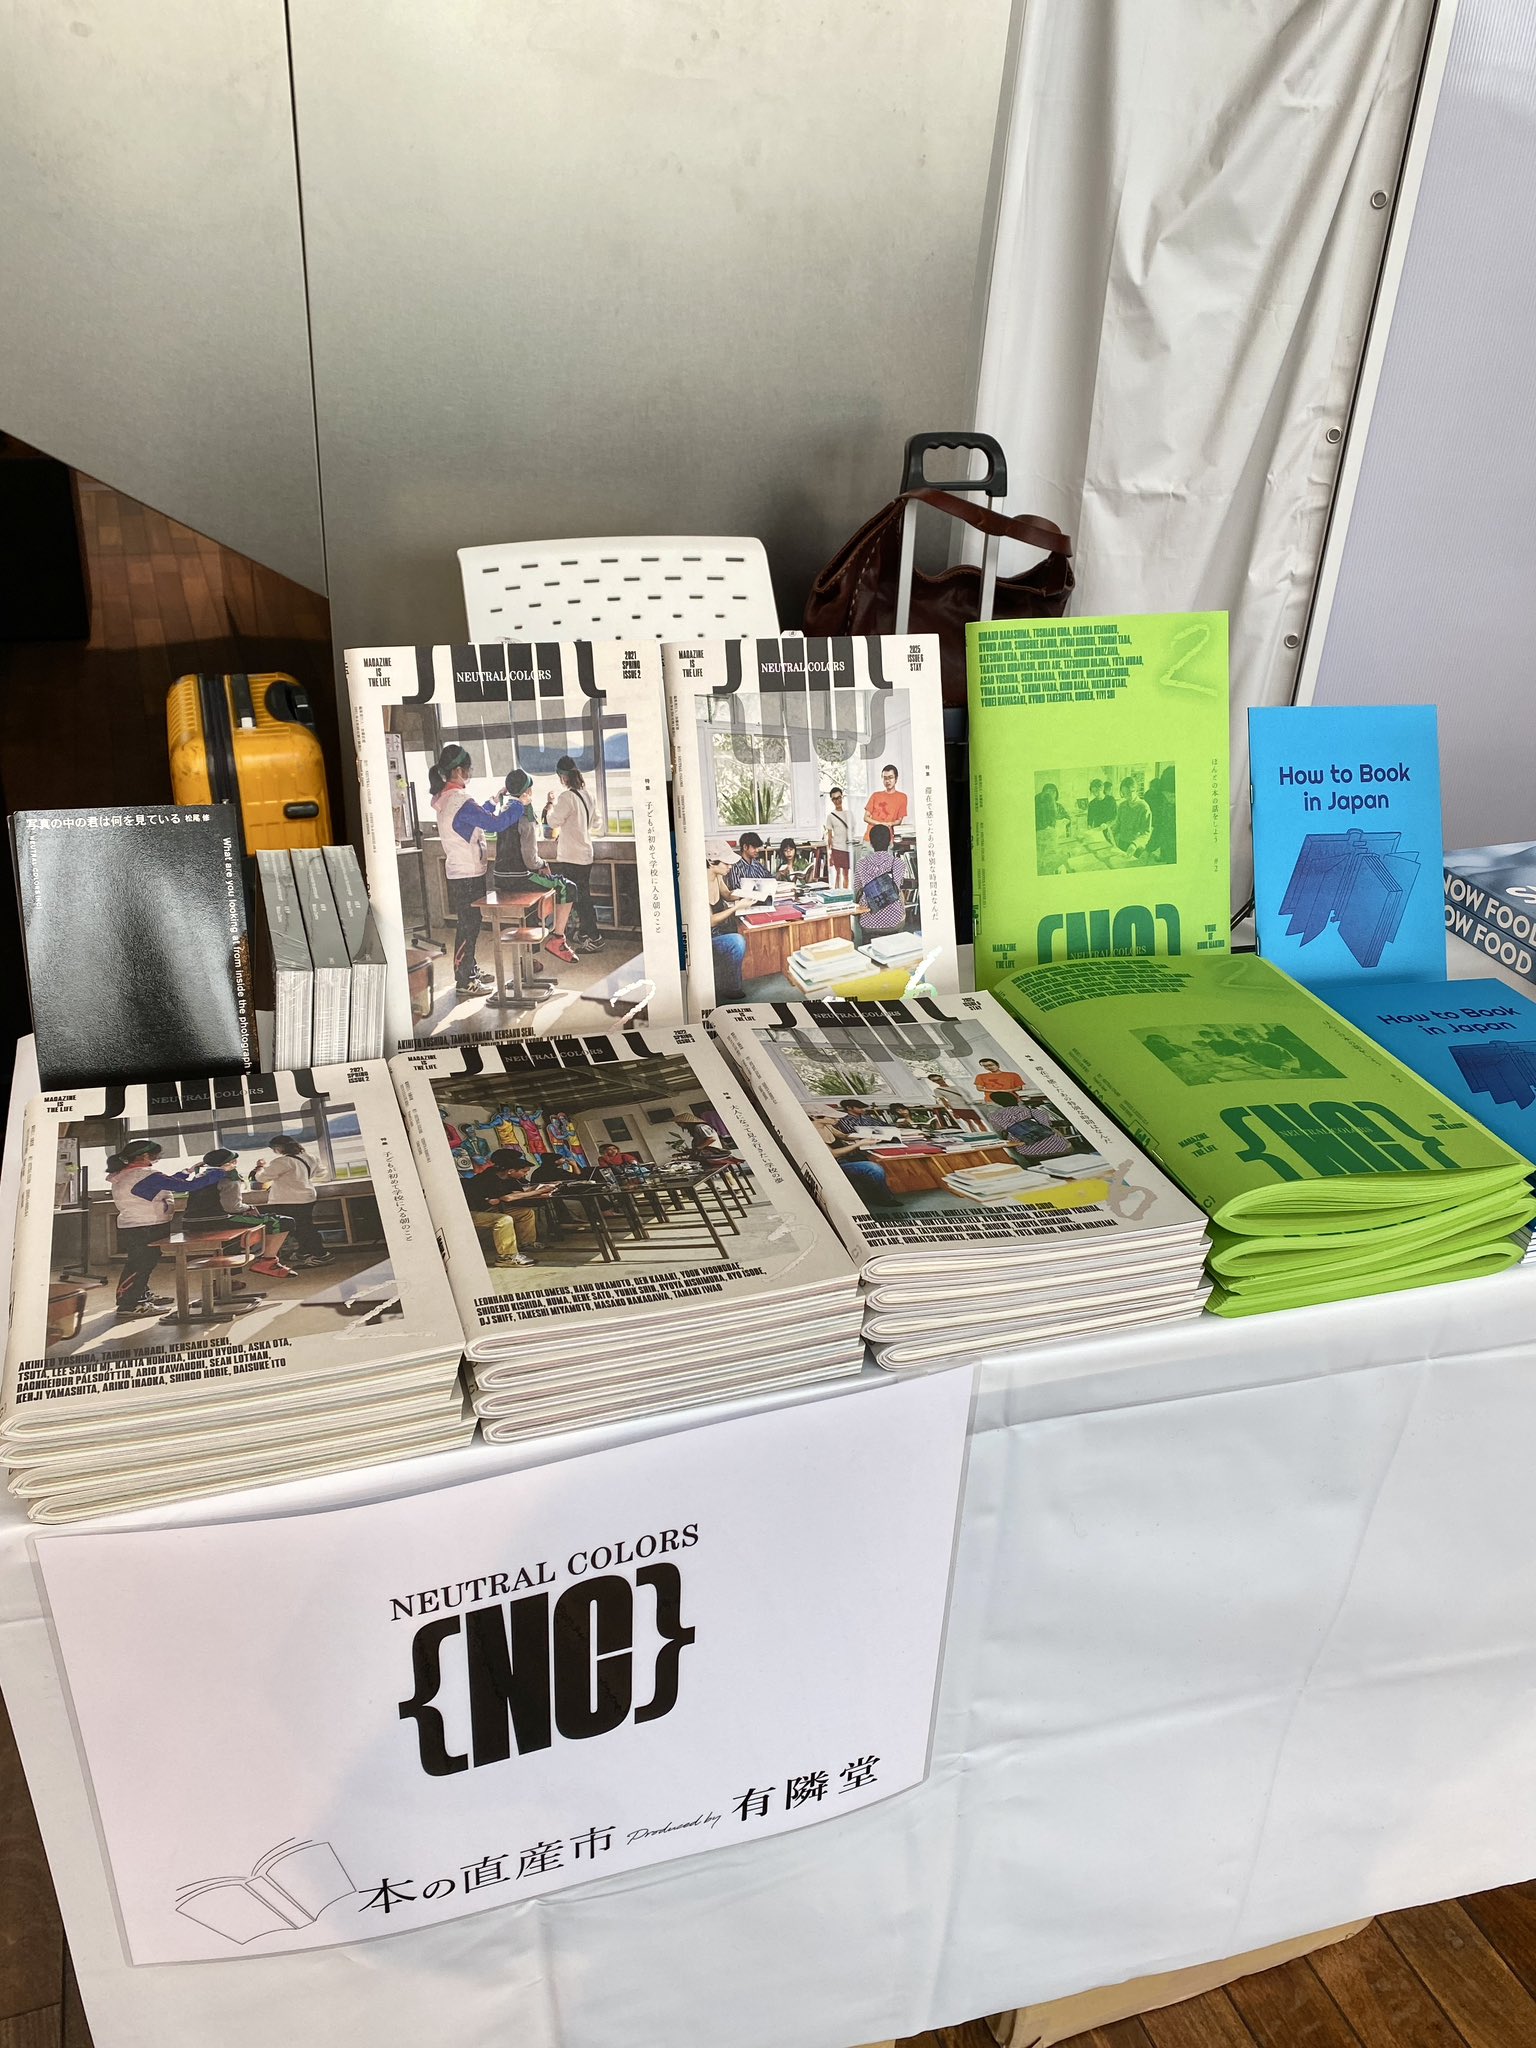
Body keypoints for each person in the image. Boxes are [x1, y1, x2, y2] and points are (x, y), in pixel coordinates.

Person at [427, 743, 525, 995]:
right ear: (459, 771)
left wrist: (494, 800)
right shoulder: (460, 800)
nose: (470, 773)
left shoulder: (446, 798)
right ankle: (464, 980)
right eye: (469, 769)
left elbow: (475, 819)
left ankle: (469, 968)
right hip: (467, 874)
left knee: (470, 922)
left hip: (462, 871)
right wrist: (517, 804)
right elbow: (496, 824)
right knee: (468, 925)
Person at [492, 769, 578, 966]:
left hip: (500, 877)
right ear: (527, 792)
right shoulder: (525, 817)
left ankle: (529, 961)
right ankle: (558, 939)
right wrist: (544, 864)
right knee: (567, 887)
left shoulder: (504, 811)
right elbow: (531, 861)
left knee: (532, 906)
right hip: (520, 877)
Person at [181, 1150, 295, 1277]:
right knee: (282, 1221)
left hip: (191, 1223)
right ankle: (268, 1261)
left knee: (233, 1239)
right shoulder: (229, 1178)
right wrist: (249, 1208)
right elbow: (233, 1207)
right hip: (218, 1220)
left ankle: (227, 1279)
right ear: (230, 1163)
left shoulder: (200, 1176)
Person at [107, 1138, 186, 1317]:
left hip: (139, 1224)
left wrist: (184, 1173)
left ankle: (140, 1295)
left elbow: (165, 1183)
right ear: (144, 1156)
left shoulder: (127, 1174)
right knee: (141, 1264)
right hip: (146, 1224)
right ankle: (129, 1305)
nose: (157, 1158)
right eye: (155, 1155)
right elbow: (178, 1185)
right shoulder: (143, 1174)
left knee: (141, 1262)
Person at [544, 756, 602, 953]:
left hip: (571, 857)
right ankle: (585, 934)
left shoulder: (566, 798)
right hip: (585, 853)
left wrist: (550, 806)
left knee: (578, 899)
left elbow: (553, 822)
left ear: (563, 777)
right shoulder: (588, 795)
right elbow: (597, 823)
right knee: (583, 896)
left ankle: (594, 937)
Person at [250, 1135, 330, 1265]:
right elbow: (322, 1172)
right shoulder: (310, 1157)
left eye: (274, 1149)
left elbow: (262, 1178)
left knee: (299, 1229)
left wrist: (259, 1168)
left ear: (279, 1148)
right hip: (307, 1197)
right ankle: (304, 1252)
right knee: (304, 1226)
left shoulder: (282, 1162)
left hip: (289, 1200)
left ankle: (320, 1255)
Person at [465, 1147, 539, 1266]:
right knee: (504, 1220)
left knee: (525, 1213)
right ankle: (507, 1257)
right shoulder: (488, 1177)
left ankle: (526, 1244)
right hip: (470, 1212)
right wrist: (538, 1191)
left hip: (489, 1208)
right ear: (510, 1169)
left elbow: (516, 1192)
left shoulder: (507, 1177)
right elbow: (507, 1197)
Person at [815, 1116, 899, 1208]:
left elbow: (844, 1136)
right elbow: (833, 1153)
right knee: (873, 1168)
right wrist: (859, 1144)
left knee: (870, 1158)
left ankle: (873, 1193)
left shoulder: (827, 1125)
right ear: (816, 1117)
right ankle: (885, 1199)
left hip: (845, 1159)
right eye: (833, 1117)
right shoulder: (811, 1131)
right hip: (834, 1165)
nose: (838, 1119)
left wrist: (866, 1136)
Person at [853, 823, 909, 940]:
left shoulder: (861, 863)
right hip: (894, 921)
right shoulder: (898, 863)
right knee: (899, 893)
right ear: (889, 842)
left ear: (871, 843)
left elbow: (857, 888)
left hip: (868, 922)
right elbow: (897, 886)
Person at [706, 849, 748, 1000]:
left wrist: (748, 893)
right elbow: (710, 921)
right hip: (704, 938)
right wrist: (737, 907)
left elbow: (728, 895)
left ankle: (729, 981)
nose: (730, 866)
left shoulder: (717, 876)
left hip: (718, 930)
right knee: (737, 941)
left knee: (741, 927)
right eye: (726, 863)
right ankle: (731, 988)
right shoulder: (698, 884)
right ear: (711, 862)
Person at [1110, 774, 1154, 859]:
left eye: (1129, 793)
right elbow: (1118, 824)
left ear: (1135, 790)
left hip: (1136, 847)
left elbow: (1146, 833)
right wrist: (1111, 832)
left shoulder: (1143, 807)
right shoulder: (1122, 806)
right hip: (1122, 843)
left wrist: (1135, 844)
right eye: (1124, 794)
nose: (1126, 796)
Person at [862, 763, 908, 842]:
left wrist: (889, 824)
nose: (887, 781)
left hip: (887, 839)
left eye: (890, 777)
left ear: (896, 779)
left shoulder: (902, 797)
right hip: (870, 838)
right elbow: (866, 817)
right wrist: (881, 824)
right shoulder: (875, 795)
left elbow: (899, 821)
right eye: (885, 778)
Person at [1144, 764, 1176, 864]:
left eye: (1173, 796)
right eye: (1166, 796)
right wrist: (1148, 849)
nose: (1170, 800)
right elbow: (1161, 828)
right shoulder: (1167, 804)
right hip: (1169, 851)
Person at [824, 788, 851, 884]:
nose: (837, 801)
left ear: (842, 797)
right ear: (832, 800)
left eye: (839, 797)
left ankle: (846, 891)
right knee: (837, 874)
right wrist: (830, 853)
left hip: (847, 848)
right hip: (837, 848)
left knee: (846, 874)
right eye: (834, 799)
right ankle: (836, 891)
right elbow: (829, 836)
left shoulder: (848, 814)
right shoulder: (830, 816)